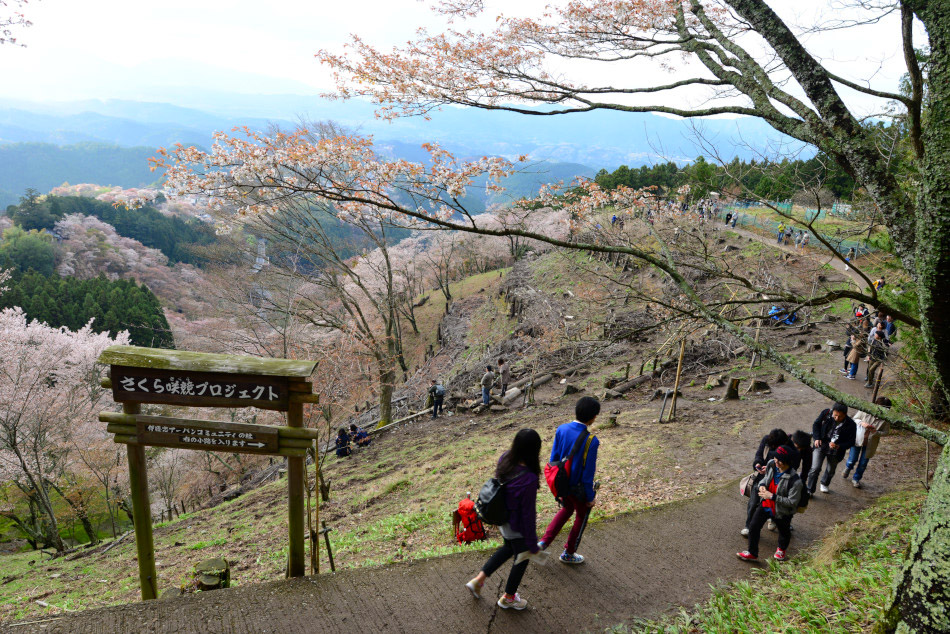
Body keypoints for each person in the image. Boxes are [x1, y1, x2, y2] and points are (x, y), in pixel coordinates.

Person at [465, 428, 542, 610]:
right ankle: (508, 597)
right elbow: (528, 514)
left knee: (508, 548)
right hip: (516, 526)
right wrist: (532, 543)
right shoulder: (529, 478)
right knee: (523, 557)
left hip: (501, 518)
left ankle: (478, 580)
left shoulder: (505, 458)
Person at [538, 396, 601, 564]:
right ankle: (569, 552)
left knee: (566, 509)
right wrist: (590, 498)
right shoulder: (591, 441)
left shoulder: (562, 429)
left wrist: (556, 487)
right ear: (593, 417)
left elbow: (554, 460)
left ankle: (542, 543)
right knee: (581, 515)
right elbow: (588, 475)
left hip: (562, 484)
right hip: (579, 489)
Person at [737, 445, 803, 562]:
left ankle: (781, 549)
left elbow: (792, 502)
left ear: (786, 462)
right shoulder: (772, 464)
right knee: (753, 526)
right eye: (775, 458)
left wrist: (772, 496)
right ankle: (752, 552)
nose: (776, 461)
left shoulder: (795, 481)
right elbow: (766, 478)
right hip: (766, 504)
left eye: (779, 460)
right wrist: (762, 486)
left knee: (784, 531)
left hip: (782, 511)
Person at [741, 429, 789, 536]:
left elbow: (788, 466)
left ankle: (772, 519)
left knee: (773, 502)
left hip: (777, 480)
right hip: (761, 478)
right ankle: (748, 526)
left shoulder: (786, 448)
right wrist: (758, 464)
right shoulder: (766, 440)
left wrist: (770, 467)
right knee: (753, 503)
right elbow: (758, 455)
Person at [807, 402, 857, 494]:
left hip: (836, 451)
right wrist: (817, 438)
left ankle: (825, 483)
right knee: (815, 468)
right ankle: (809, 490)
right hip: (821, 445)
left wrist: (839, 446)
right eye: (835, 415)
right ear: (832, 412)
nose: (837, 418)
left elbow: (851, 441)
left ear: (845, 414)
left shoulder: (851, 425)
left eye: (840, 416)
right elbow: (816, 424)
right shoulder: (826, 413)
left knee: (830, 470)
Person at [843, 397, 892, 488]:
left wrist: (876, 432)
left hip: (871, 444)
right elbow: (855, 418)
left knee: (863, 463)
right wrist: (862, 423)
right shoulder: (866, 410)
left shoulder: (886, 420)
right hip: (858, 438)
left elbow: (886, 432)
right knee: (852, 459)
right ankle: (848, 467)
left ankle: (856, 479)